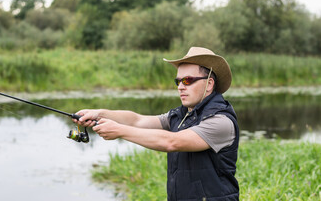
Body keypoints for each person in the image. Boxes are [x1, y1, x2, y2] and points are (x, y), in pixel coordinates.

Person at [73, 47, 239, 200]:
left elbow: (172, 142)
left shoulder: (221, 121)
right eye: (178, 81)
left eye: (188, 80)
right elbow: (137, 120)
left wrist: (119, 131)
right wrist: (99, 113)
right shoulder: (181, 115)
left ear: (209, 84)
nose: (180, 87)